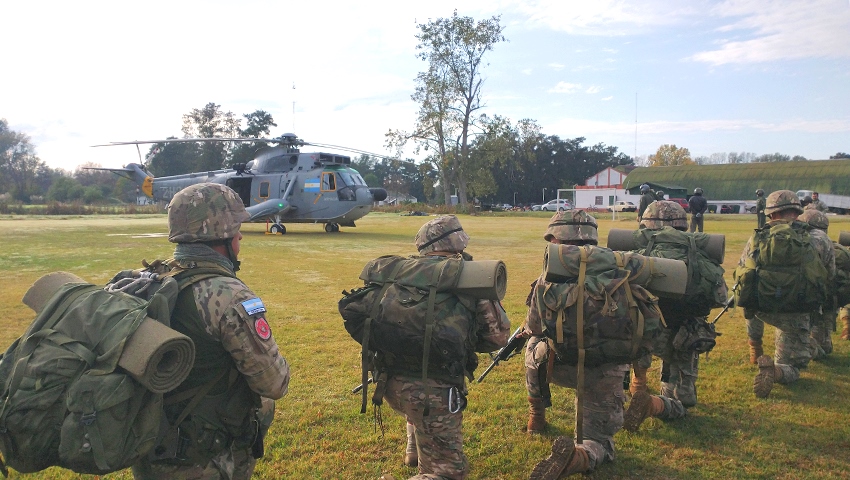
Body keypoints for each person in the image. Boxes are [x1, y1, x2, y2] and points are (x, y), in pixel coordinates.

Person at [131, 183, 290, 480]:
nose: (240, 235)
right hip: (204, 458)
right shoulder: (228, 295)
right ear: (222, 235)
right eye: (236, 228)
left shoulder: (150, 278)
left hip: (148, 447)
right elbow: (274, 384)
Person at [379, 215, 511, 480]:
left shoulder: (401, 273)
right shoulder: (468, 278)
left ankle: (414, 448)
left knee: (420, 375)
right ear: (458, 245)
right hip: (435, 394)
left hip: (389, 383)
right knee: (448, 473)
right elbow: (498, 338)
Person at [526, 210, 630, 479]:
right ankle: (580, 457)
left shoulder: (546, 279)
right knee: (599, 442)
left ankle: (536, 415)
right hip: (607, 371)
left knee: (532, 345)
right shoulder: (622, 268)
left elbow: (535, 327)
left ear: (555, 240)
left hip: (559, 366)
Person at [740, 190, 834, 399]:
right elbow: (829, 276)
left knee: (748, 303)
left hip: (761, 309)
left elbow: (743, 273)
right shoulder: (819, 238)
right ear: (798, 211)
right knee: (794, 365)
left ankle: (754, 346)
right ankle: (776, 370)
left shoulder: (757, 237)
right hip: (796, 312)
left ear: (770, 214)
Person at [622, 201, 701, 432]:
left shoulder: (634, 253)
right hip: (683, 335)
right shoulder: (696, 251)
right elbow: (717, 294)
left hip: (639, 336)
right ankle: (657, 403)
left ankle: (636, 388)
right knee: (682, 401)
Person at [798, 209, 835, 358]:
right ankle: (813, 345)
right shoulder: (825, 241)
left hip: (787, 292)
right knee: (824, 349)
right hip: (813, 297)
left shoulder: (793, 236)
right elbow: (830, 274)